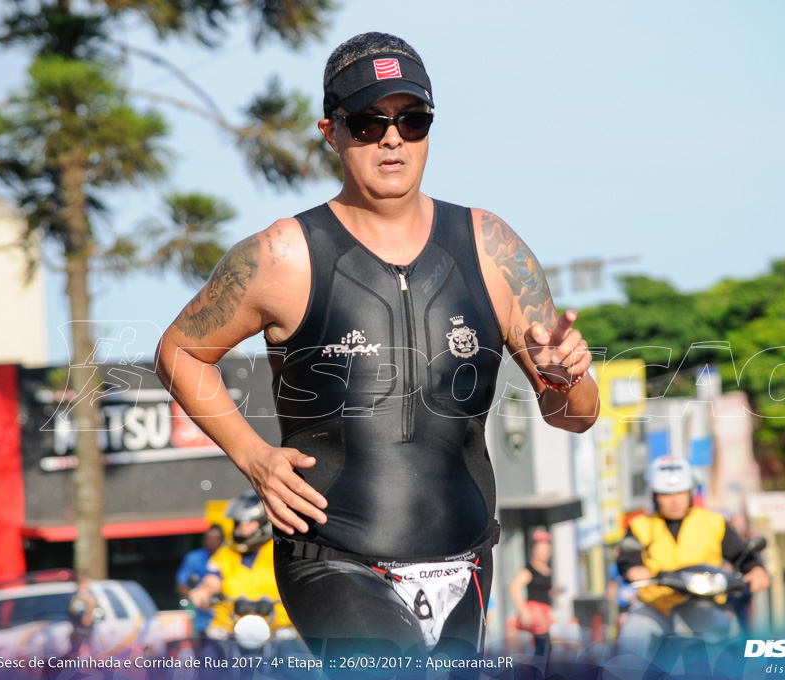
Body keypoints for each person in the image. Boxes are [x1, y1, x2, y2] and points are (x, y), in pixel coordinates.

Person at [155, 31, 599, 660]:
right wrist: (255, 458)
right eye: (368, 122)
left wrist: (563, 377)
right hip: (334, 559)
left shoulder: (492, 247)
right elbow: (180, 350)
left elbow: (577, 415)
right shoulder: (283, 256)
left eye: (412, 120)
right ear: (330, 131)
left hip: (467, 565)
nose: (393, 138)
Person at [616, 456, 770, 658]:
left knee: (728, 637)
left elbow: (741, 554)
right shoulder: (640, 526)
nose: (674, 500)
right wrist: (633, 569)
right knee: (631, 640)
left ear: (691, 492)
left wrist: (755, 569)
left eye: (681, 492)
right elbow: (628, 558)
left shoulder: (713, 522)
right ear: (654, 496)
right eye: (666, 494)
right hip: (655, 604)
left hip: (704, 602)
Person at [188, 492, 291, 645]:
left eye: (248, 521)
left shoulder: (280, 550)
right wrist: (203, 591)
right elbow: (212, 578)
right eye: (238, 522)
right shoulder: (226, 552)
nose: (242, 527)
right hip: (230, 629)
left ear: (263, 522)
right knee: (209, 663)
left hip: (277, 630)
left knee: (298, 663)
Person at [508, 529, 555, 654]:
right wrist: (524, 611)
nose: (544, 553)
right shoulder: (529, 570)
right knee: (544, 648)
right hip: (535, 611)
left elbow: (542, 591)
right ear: (533, 550)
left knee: (544, 648)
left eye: (546, 550)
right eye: (541, 550)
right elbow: (514, 587)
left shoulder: (546, 568)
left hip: (545, 611)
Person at [176, 525, 225, 639]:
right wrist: (196, 596)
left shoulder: (231, 557)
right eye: (209, 538)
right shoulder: (194, 558)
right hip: (202, 616)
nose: (213, 542)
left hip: (228, 617)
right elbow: (180, 585)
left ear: (223, 541)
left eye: (217, 539)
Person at [68, 572, 98, 656]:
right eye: (88, 582)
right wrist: (90, 605)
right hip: (81, 634)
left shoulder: (79, 596)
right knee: (82, 659)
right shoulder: (80, 598)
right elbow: (85, 620)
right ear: (84, 583)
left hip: (82, 633)